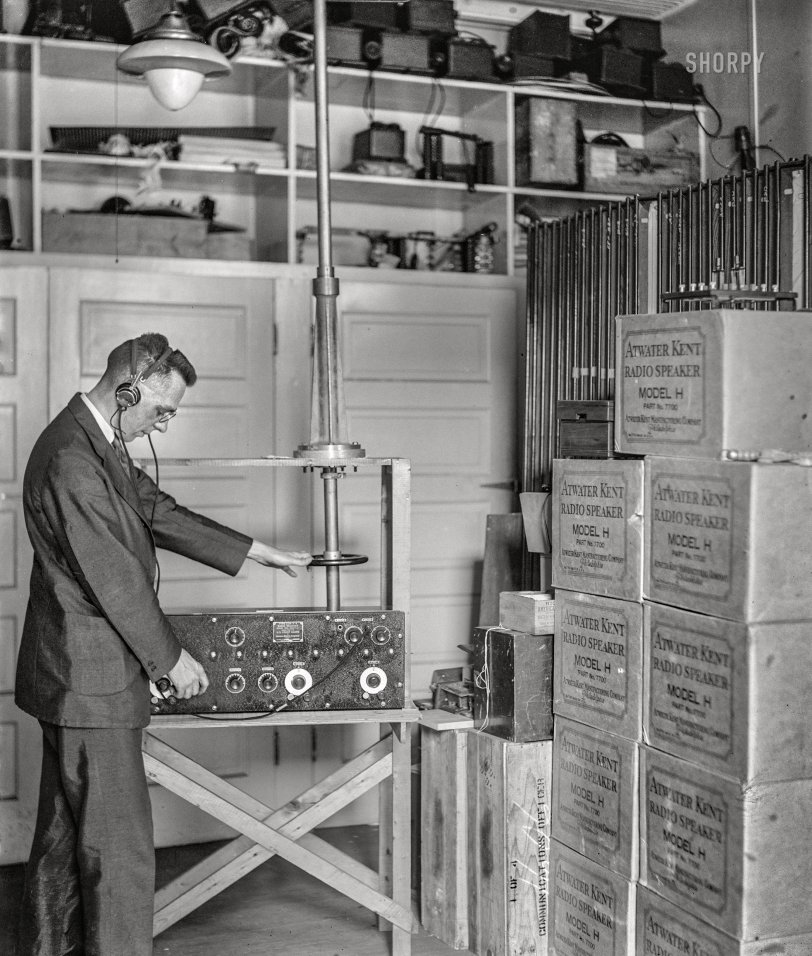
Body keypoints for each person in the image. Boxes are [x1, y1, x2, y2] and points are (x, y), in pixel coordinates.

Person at [14, 332, 312, 956]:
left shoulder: (95, 441)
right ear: (128, 388)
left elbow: (155, 508)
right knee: (118, 855)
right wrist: (172, 659)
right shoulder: (72, 458)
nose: (166, 425)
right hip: (91, 683)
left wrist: (258, 552)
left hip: (73, 679)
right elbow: (113, 577)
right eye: (162, 410)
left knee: (65, 845)